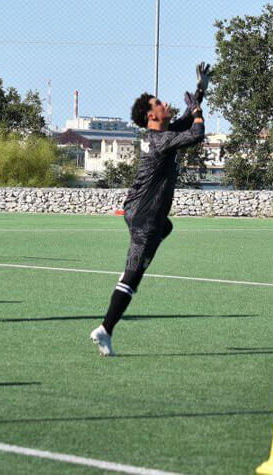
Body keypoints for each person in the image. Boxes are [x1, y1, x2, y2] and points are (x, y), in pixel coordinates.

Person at [90, 64, 210, 356]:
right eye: (158, 103)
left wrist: (200, 92)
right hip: (144, 218)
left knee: (164, 228)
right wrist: (196, 111)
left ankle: (107, 327)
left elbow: (183, 124)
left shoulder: (161, 137)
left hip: (144, 214)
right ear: (150, 116)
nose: (164, 103)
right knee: (132, 275)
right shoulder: (160, 141)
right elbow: (196, 133)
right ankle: (104, 330)